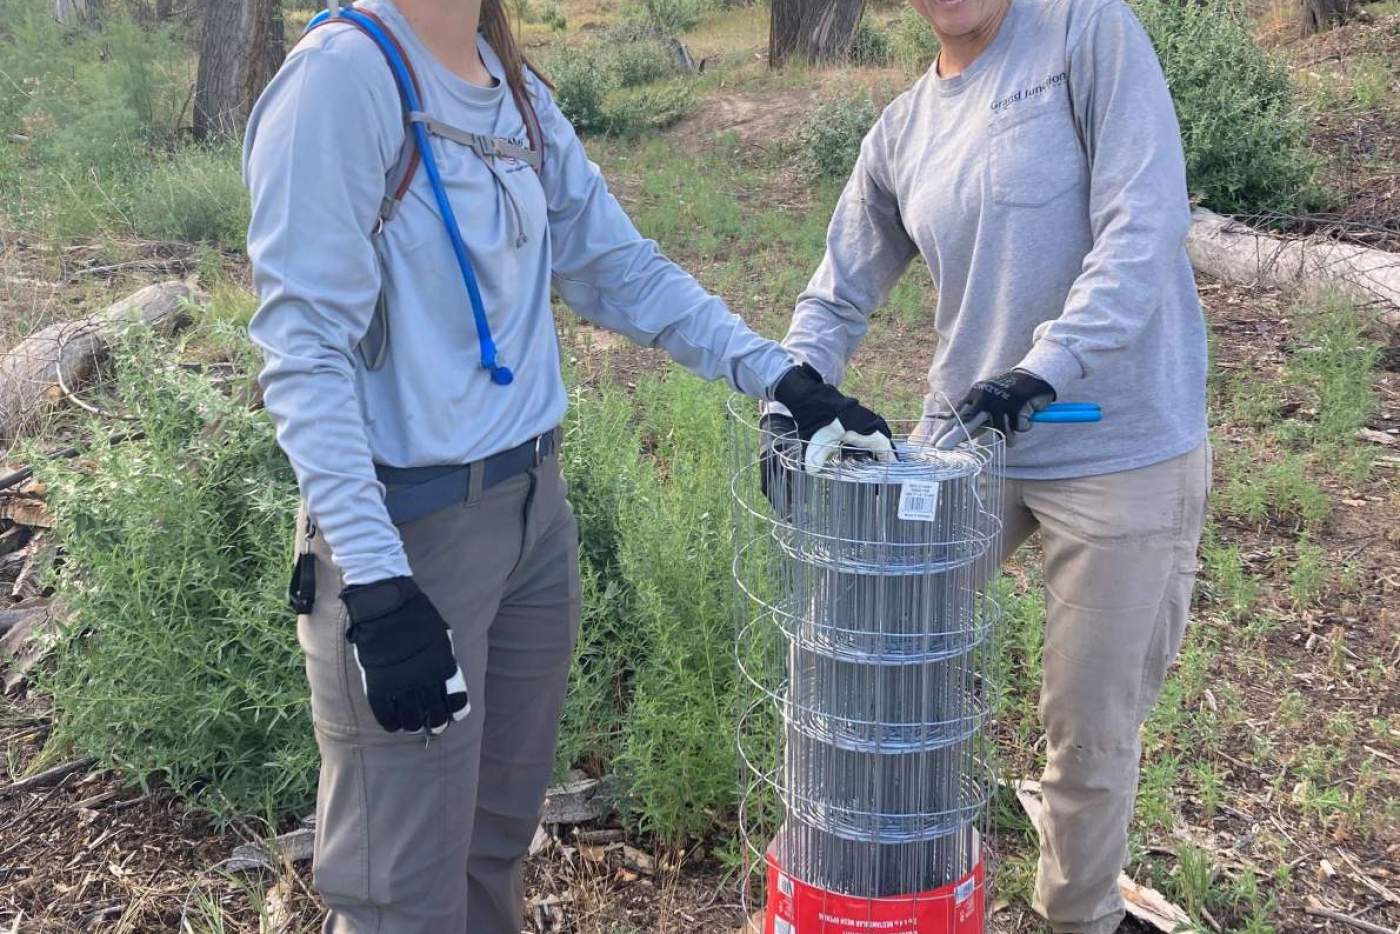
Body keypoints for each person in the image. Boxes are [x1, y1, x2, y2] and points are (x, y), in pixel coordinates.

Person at [241, 0, 894, 930]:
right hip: (408, 538)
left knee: (494, 844)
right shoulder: (340, 81)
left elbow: (619, 268)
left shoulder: (514, 89)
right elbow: (304, 358)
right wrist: (380, 588)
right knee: (399, 895)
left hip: (534, 521)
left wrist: (781, 374)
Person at [764, 0, 1211, 930]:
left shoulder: (1088, 36)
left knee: (1088, 726)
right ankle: (871, 891)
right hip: (967, 444)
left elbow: (1145, 221)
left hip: (1116, 440)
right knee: (861, 652)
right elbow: (839, 287)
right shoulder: (902, 129)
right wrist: (788, 392)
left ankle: (1077, 914)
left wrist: (1044, 367)